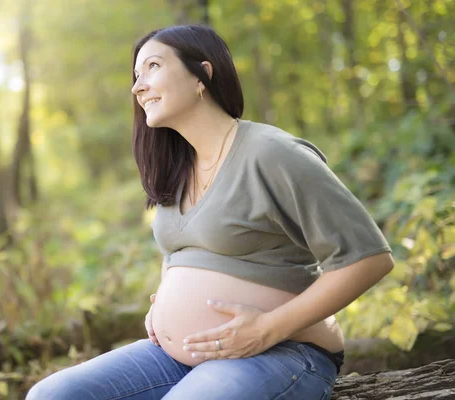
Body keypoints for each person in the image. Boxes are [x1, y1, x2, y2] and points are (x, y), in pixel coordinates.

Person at [25, 24, 394, 400]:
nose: (138, 87)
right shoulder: (176, 169)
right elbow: (179, 250)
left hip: (283, 351)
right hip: (180, 358)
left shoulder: (271, 153)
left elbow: (369, 258)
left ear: (203, 74)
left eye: (152, 67)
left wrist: (266, 328)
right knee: (52, 395)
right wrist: (166, 297)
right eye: (136, 76)